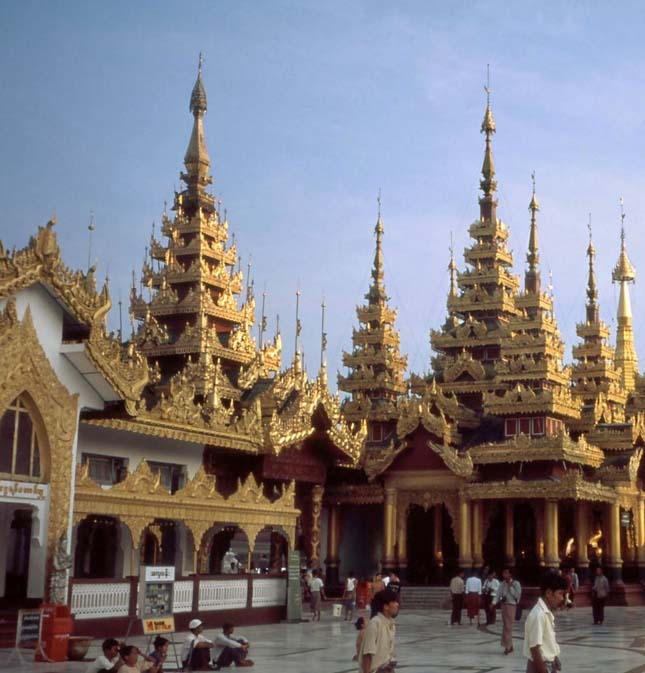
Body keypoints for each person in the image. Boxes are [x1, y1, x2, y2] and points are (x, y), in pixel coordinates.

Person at [523, 570, 567, 673]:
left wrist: (554, 657)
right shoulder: (538, 614)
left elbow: (547, 642)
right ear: (548, 593)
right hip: (539, 667)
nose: (562, 598)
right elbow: (534, 648)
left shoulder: (546, 612)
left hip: (548, 665)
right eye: (560, 594)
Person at [358, 589, 399, 673]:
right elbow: (368, 653)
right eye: (394, 602)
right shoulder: (375, 623)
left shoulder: (391, 624)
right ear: (386, 606)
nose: (397, 604)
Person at [496, 567, 521, 654]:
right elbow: (498, 593)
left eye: (506, 573)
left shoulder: (516, 584)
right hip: (503, 605)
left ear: (510, 574)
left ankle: (507, 646)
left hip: (511, 605)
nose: (504, 575)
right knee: (506, 625)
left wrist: (511, 587)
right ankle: (510, 645)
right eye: (503, 573)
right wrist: (494, 602)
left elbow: (518, 596)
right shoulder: (502, 583)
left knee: (508, 626)